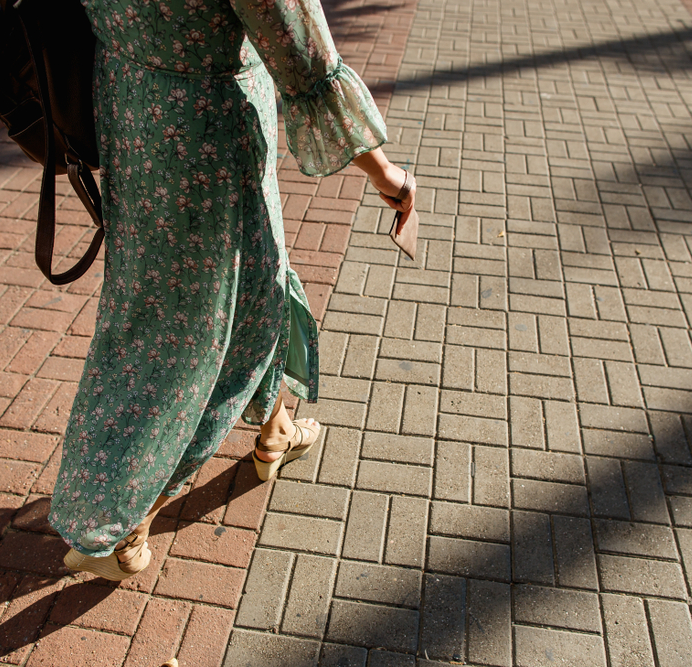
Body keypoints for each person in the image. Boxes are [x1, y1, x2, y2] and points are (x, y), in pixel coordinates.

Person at [49, 0, 416, 580]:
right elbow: (303, 57)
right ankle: (122, 523)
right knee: (219, 326)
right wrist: (383, 172)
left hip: (131, 110)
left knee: (154, 309)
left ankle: (275, 433)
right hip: (210, 132)